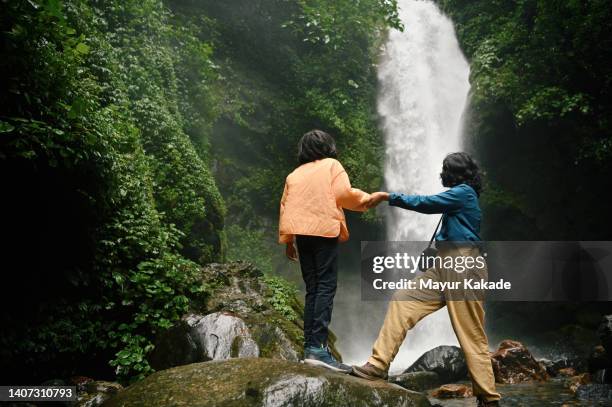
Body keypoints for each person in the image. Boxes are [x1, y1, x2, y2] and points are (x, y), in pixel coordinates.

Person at [352, 152, 501, 407]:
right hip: (445, 265)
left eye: (445, 169)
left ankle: (489, 399)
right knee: (402, 299)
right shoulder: (459, 196)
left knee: (470, 332)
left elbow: (425, 203)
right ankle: (377, 365)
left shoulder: (464, 192)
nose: (441, 173)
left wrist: (388, 196)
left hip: (463, 265)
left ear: (453, 173)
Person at [278, 129, 371, 373]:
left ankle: (311, 346)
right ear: (328, 147)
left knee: (313, 288)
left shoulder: (294, 174)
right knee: (326, 286)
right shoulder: (332, 165)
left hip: (301, 234)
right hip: (323, 231)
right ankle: (318, 348)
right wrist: (367, 200)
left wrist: (288, 240)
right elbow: (343, 195)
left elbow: (285, 207)